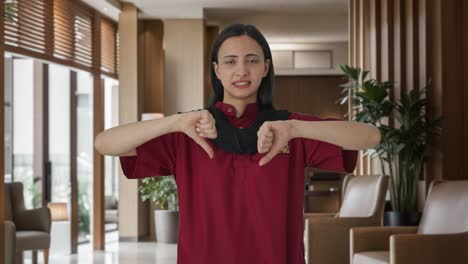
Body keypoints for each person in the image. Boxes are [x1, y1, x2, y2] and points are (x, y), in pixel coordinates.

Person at [95, 24, 380, 264]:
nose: (242, 70)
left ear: (266, 67)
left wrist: (294, 128)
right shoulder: (188, 131)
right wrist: (173, 122)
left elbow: (370, 136)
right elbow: (105, 143)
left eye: (252, 60)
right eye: (230, 61)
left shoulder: (288, 128)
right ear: (217, 70)